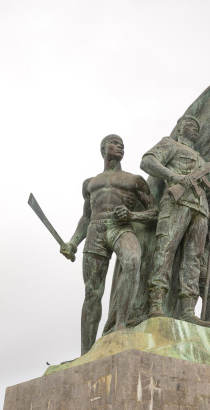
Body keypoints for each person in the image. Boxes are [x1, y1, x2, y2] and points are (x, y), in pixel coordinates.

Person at [60, 134, 158, 355]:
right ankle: (85, 354)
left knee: (133, 260)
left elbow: (155, 212)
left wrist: (132, 215)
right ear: (103, 149)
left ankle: (120, 325)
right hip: (95, 230)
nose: (120, 146)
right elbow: (86, 217)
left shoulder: (134, 180)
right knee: (92, 292)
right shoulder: (90, 184)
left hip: (121, 227)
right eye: (115, 143)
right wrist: (73, 242)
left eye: (122, 144)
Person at [140, 115, 210, 327]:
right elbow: (147, 161)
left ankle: (187, 309)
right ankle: (156, 303)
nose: (195, 130)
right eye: (191, 126)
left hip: (200, 208)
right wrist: (175, 177)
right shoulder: (170, 144)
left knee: (192, 259)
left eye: (197, 127)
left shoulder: (202, 160)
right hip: (176, 203)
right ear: (180, 128)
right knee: (165, 250)